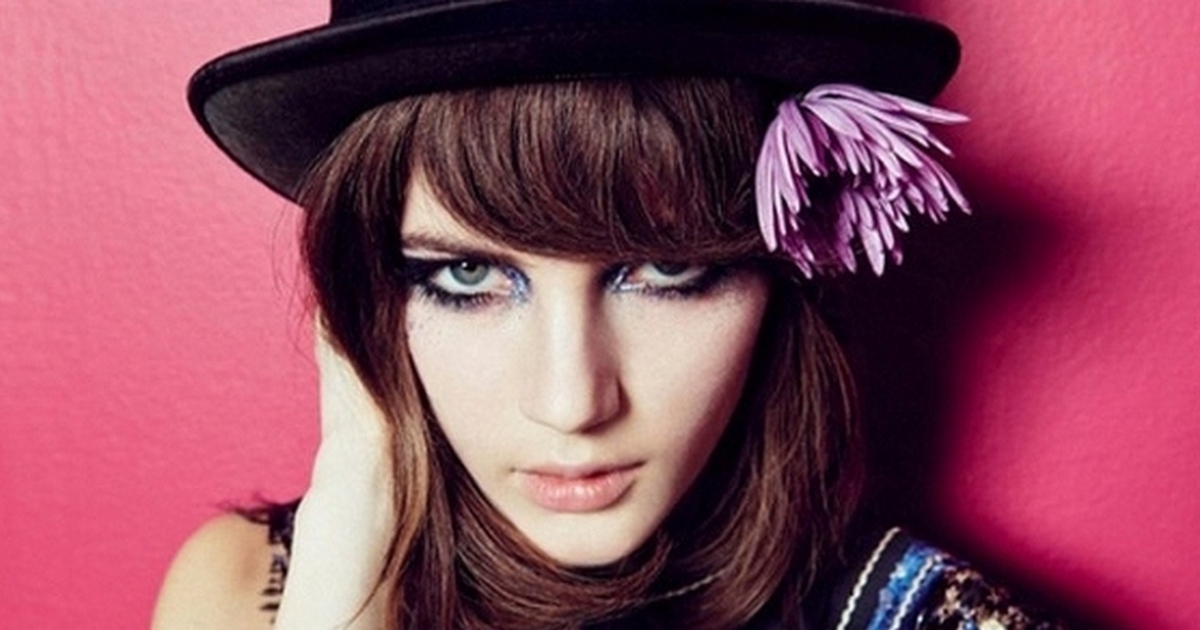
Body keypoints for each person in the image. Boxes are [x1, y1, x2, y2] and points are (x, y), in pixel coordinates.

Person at [153, 1, 1065, 628]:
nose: (573, 403)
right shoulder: (247, 591)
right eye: (466, 274)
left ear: (787, 274)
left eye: (665, 270)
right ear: (370, 298)